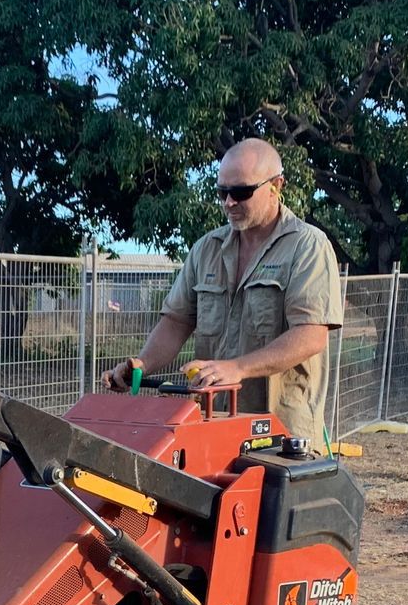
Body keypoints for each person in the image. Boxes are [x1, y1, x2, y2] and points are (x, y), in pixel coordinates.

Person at [101, 139, 343, 444]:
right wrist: (142, 364)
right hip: (212, 424)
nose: (229, 202)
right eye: (222, 192)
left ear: (276, 186)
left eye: (241, 192)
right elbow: (176, 322)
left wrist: (238, 368)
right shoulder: (206, 249)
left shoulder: (307, 246)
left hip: (281, 435)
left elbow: (311, 335)